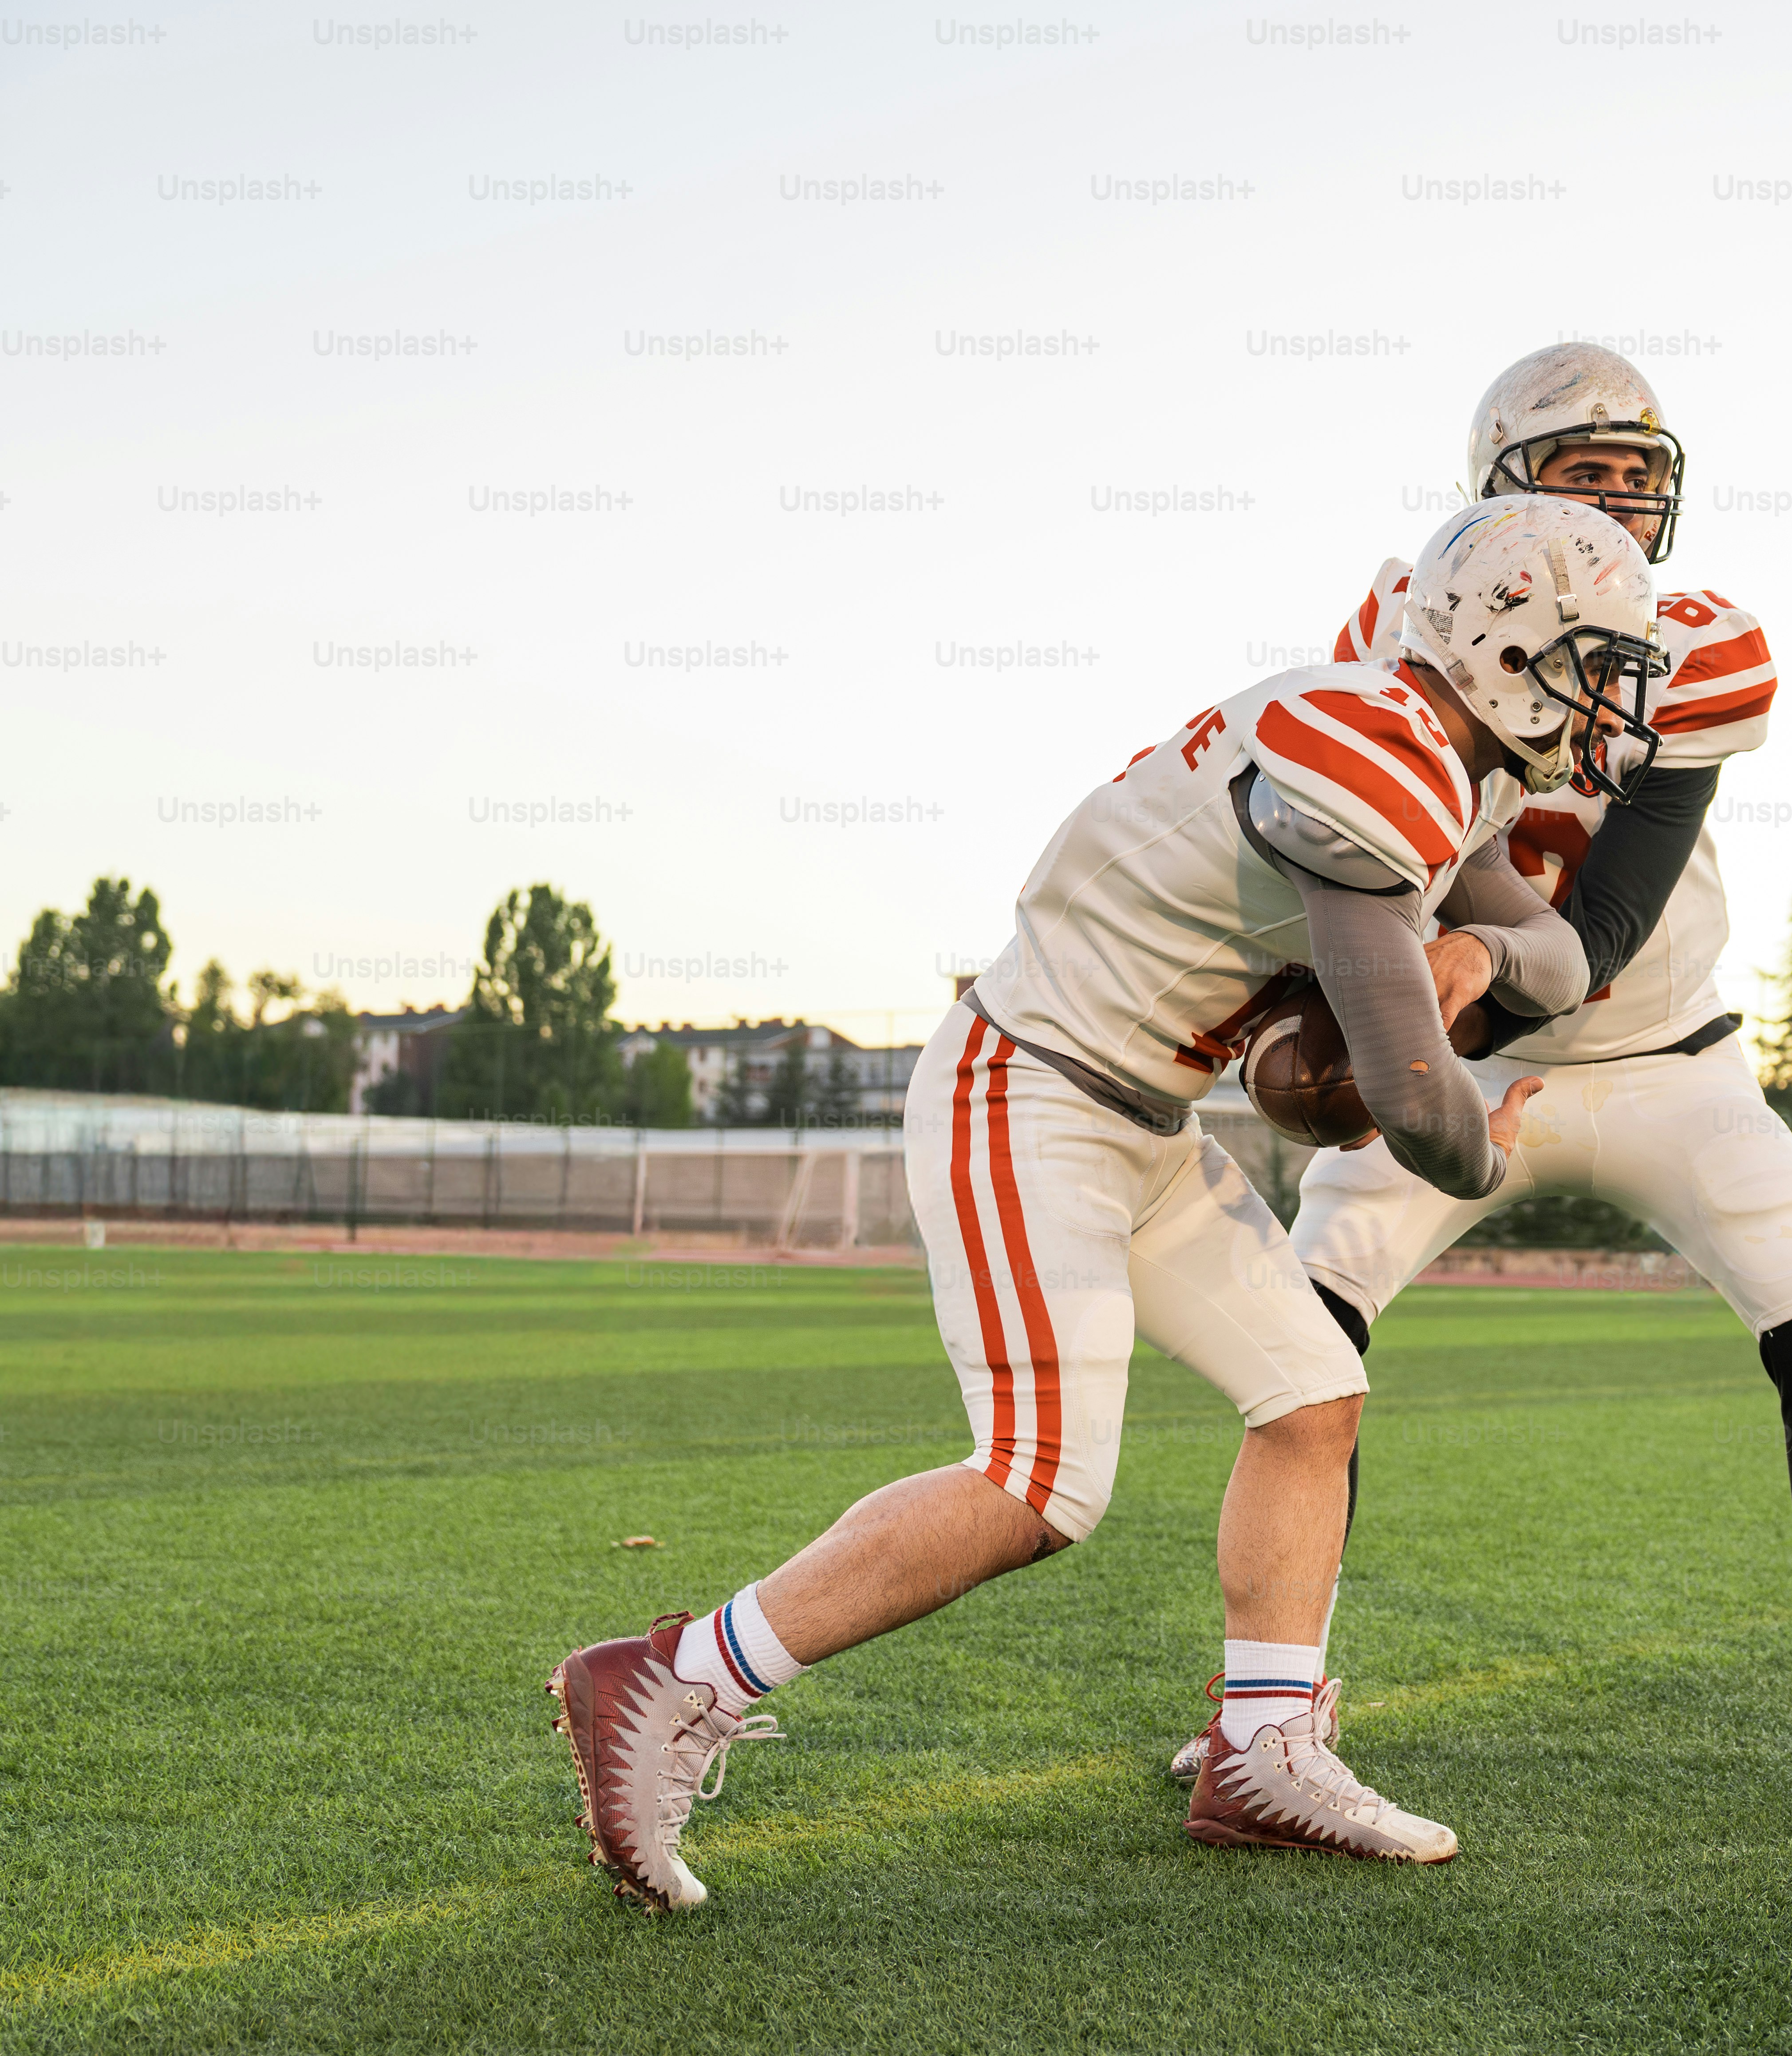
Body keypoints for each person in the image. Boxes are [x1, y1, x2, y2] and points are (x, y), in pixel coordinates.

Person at [548, 494, 1656, 1906]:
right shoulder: (1374, 751)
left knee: (1314, 1396)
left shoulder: (1446, 758)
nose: (1607, 699)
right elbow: (1418, 1110)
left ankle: (1262, 1748)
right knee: (1039, 1484)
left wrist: (1477, 966)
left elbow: (1558, 956)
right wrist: (1494, 1146)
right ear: (1506, 645)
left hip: (1138, 1115)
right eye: (1592, 658)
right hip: (1033, 1089)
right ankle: (667, 1678)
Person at [1168, 345, 1792, 1807]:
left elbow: (1601, 929)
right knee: (1306, 1349)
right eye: (1580, 469)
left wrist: (1434, 1013)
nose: (1615, 497)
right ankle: (1277, 1714)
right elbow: (1371, 856)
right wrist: (1374, 1039)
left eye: (1636, 474)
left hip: (1663, 1061)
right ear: (1495, 485)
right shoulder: (1401, 617)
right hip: (1466, 1060)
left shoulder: (1702, 643)